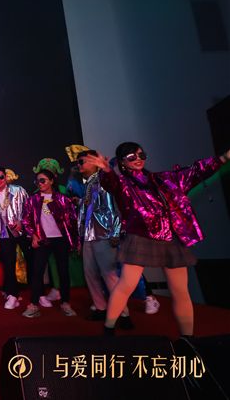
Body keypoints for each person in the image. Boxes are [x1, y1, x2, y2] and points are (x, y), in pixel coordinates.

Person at [83, 143, 229, 336]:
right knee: (126, 285)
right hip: (141, 238)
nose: (138, 159)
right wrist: (107, 170)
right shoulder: (123, 184)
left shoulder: (162, 179)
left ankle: (188, 338)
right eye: (131, 156)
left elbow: (194, 172)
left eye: (141, 155)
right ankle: (108, 329)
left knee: (180, 291)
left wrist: (223, 158)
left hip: (170, 239)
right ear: (122, 162)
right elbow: (112, 184)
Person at [76, 149, 133, 328]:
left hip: (104, 235)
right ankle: (101, 308)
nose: (79, 166)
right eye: (78, 163)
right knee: (90, 274)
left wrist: (115, 232)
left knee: (109, 274)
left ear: (94, 162)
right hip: (88, 235)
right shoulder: (88, 183)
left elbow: (114, 208)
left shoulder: (104, 181)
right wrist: (81, 237)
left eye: (82, 162)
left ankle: (122, 314)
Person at [21, 170, 78, 318]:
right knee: (37, 272)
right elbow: (26, 220)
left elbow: (72, 221)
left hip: (60, 240)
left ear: (52, 181)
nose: (40, 184)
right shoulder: (32, 200)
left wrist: (75, 241)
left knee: (63, 272)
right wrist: (33, 235)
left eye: (43, 180)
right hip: (43, 240)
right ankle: (33, 304)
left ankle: (65, 303)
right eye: (38, 181)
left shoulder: (63, 199)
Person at [0, 167, 28, 310]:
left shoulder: (18, 190)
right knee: (9, 264)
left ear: (6, 177)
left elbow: (29, 208)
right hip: (4, 234)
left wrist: (22, 222)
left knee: (32, 261)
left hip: (22, 232)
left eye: (1, 177)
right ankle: (12, 295)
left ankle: (38, 294)